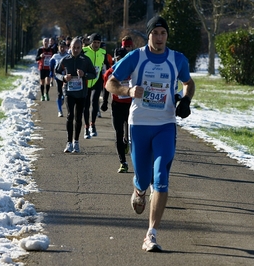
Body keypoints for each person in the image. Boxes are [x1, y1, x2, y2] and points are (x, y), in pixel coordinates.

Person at [105, 16, 195, 252]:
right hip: (140, 125)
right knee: (144, 177)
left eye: (163, 33)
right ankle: (138, 188)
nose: (159, 37)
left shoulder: (177, 59)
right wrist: (128, 90)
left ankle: (151, 234)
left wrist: (186, 100)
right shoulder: (136, 57)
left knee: (161, 178)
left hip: (165, 125)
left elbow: (188, 82)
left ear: (167, 35)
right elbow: (110, 82)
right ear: (149, 36)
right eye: (155, 33)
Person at [55, 38, 97, 153]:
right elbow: (57, 72)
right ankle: (68, 142)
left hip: (81, 93)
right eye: (74, 47)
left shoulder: (85, 60)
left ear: (81, 48)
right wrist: (63, 78)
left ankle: (76, 142)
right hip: (69, 92)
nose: (76, 50)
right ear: (70, 47)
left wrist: (85, 74)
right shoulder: (65, 60)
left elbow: (94, 74)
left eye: (78, 48)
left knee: (78, 117)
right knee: (70, 115)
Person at [102, 47, 131, 173]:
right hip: (117, 105)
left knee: (131, 134)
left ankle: (127, 140)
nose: (120, 62)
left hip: (131, 105)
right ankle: (123, 162)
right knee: (118, 133)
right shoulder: (110, 72)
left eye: (123, 59)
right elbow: (107, 88)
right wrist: (104, 102)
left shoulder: (133, 71)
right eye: (118, 59)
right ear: (114, 59)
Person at [82, 33, 111, 138]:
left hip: (97, 80)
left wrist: (109, 74)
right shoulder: (84, 51)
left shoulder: (103, 52)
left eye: (98, 43)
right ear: (91, 42)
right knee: (86, 105)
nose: (96, 44)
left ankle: (92, 125)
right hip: (85, 81)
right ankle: (86, 127)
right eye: (94, 42)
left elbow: (107, 66)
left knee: (95, 102)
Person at [49, 40, 69, 117]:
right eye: (61, 47)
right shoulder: (55, 56)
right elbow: (51, 66)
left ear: (66, 47)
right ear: (58, 47)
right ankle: (60, 111)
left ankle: (63, 100)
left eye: (64, 47)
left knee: (66, 94)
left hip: (67, 77)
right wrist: (51, 74)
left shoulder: (68, 56)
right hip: (58, 77)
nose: (62, 48)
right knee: (59, 93)